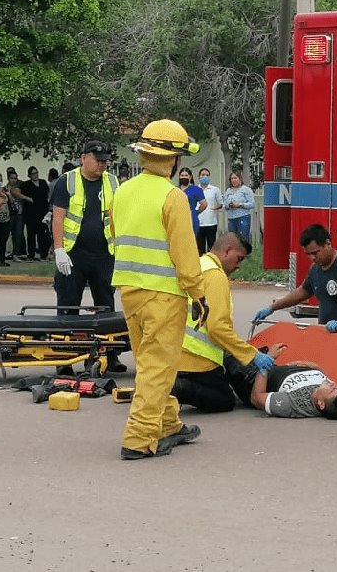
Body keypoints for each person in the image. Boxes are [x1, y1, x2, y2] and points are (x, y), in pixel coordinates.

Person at [112, 119, 207, 460]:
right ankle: (138, 440)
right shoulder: (173, 197)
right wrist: (198, 293)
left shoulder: (122, 191)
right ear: (175, 160)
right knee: (157, 367)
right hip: (164, 295)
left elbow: (115, 240)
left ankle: (169, 424)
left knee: (151, 363)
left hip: (129, 291)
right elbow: (185, 254)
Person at [171, 232, 279, 412]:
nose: (238, 266)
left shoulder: (199, 265)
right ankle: (179, 387)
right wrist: (252, 355)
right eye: (239, 258)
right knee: (224, 399)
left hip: (176, 351)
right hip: (196, 358)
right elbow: (217, 328)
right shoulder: (215, 276)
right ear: (227, 251)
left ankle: (172, 383)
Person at [50, 141, 125, 372]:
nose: (102, 164)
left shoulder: (112, 181)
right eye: (98, 160)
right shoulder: (67, 181)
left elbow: (116, 216)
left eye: (105, 161)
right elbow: (58, 217)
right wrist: (59, 250)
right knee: (68, 306)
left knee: (105, 307)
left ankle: (109, 357)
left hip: (103, 254)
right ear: (83, 158)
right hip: (73, 255)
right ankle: (65, 360)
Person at [253, 224, 337, 332]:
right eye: (308, 254)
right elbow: (302, 292)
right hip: (329, 335)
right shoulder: (315, 269)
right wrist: (271, 308)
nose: (312, 258)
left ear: (328, 244)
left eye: (315, 253)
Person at [247, 361, 337, 420]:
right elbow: (321, 373)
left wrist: (264, 363)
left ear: (321, 404)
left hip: (253, 372)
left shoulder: (296, 403)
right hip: (278, 365)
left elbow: (256, 398)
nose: (333, 384)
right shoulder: (324, 390)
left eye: (332, 389)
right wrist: (314, 366)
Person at [20, 166, 50, 261]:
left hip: (43, 212)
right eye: (33, 173)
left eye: (36, 173)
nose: (35, 175)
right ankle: (31, 255)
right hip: (31, 214)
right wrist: (27, 198)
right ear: (29, 175)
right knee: (31, 235)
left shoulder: (43, 182)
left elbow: (48, 194)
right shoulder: (26, 184)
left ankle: (43, 254)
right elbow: (16, 192)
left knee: (43, 235)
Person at [5, 167, 32, 261]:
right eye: (11, 178)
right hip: (10, 214)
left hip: (20, 214)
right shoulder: (5, 189)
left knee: (18, 234)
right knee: (7, 233)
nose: (13, 180)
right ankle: (4, 252)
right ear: (8, 178)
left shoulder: (21, 187)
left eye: (15, 178)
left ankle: (16, 254)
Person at [177, 167, 207, 243]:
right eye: (182, 175)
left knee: (191, 242)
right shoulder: (175, 190)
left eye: (186, 175)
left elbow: (204, 204)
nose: (184, 177)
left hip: (191, 218)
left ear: (190, 177)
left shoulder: (196, 189)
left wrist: (196, 212)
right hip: (178, 219)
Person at [195, 168, 221, 253]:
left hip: (211, 223)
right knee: (199, 248)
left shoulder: (215, 189)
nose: (205, 177)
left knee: (211, 248)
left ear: (209, 177)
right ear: (199, 177)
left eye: (207, 175)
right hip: (198, 222)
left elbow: (221, 203)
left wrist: (215, 207)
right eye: (203, 175)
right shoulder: (195, 189)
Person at [223, 170, 254, 240]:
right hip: (231, 218)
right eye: (231, 178)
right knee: (233, 240)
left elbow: (252, 204)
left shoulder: (246, 190)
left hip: (243, 217)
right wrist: (229, 205)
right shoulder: (228, 190)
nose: (233, 180)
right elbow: (225, 204)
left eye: (235, 178)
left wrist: (240, 204)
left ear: (240, 179)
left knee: (243, 239)